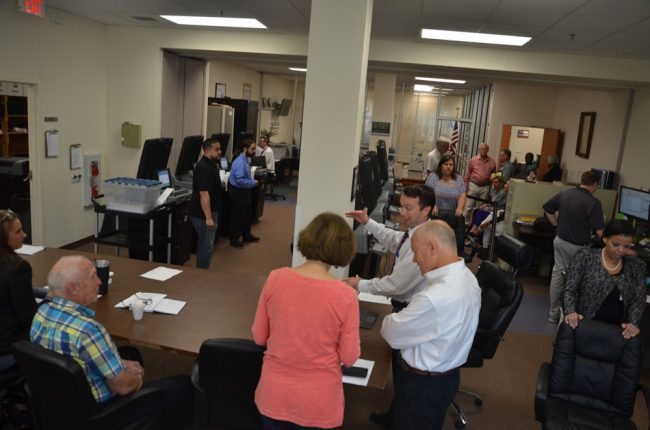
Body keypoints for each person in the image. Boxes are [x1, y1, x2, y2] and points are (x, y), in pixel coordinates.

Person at [30, 256, 194, 429]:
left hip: (60, 400)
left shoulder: (41, 313)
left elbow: (76, 355)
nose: (100, 281)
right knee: (183, 385)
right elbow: (123, 387)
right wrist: (136, 379)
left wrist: (121, 363)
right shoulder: (88, 330)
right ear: (74, 288)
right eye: (93, 276)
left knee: (131, 353)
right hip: (97, 413)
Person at [252, 213, 360, 429]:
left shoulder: (276, 278)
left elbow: (259, 336)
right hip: (318, 401)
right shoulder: (345, 296)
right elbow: (349, 358)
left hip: (274, 394)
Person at [344, 184, 434, 426]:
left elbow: (395, 285)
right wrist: (368, 222)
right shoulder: (414, 231)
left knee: (405, 374)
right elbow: (396, 240)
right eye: (401, 206)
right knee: (400, 369)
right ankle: (397, 411)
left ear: (426, 210)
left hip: (411, 311)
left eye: (408, 208)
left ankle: (400, 418)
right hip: (405, 307)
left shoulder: (424, 242)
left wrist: (359, 283)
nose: (401, 213)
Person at [381, 220, 480, 430]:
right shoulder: (469, 279)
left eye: (416, 252)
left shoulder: (434, 297)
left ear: (433, 247)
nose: (415, 259)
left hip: (421, 386)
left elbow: (390, 332)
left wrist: (402, 314)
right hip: (447, 377)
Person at [564, 219, 646, 339]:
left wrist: (633, 323)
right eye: (616, 244)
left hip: (617, 332)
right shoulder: (585, 256)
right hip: (583, 325)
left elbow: (638, 299)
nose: (621, 250)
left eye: (627, 246)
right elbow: (570, 289)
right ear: (605, 239)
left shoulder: (636, 266)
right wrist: (570, 311)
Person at [543, 171, 605, 323]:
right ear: (595, 184)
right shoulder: (593, 203)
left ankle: (553, 314)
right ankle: (573, 315)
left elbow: (547, 208)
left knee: (558, 275)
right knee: (576, 281)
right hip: (578, 247)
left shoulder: (565, 193)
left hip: (559, 240)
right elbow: (601, 232)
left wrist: (556, 225)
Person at [0, 209, 37, 372]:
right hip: (8, 347)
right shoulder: (17, 268)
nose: (25, 235)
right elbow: (30, 318)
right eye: (18, 231)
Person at [189, 137, 223, 269]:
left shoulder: (210, 164)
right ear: (207, 151)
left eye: (220, 149)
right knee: (206, 246)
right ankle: (201, 275)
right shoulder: (205, 168)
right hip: (203, 215)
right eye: (217, 149)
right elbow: (204, 194)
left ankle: (202, 271)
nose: (220, 151)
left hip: (207, 212)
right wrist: (208, 218)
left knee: (207, 245)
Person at [426, 153, 467, 256]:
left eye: (451, 164)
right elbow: (428, 193)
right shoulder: (433, 177)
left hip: (453, 213)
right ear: (440, 165)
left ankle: (458, 253)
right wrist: (433, 205)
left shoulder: (458, 179)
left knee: (460, 218)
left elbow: (462, 194)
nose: (448, 167)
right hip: (436, 212)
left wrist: (460, 208)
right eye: (446, 164)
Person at [228, 139, 260, 248]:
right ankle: (234, 239)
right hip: (238, 191)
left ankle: (246, 235)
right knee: (238, 216)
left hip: (244, 190)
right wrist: (253, 183)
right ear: (245, 149)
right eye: (252, 149)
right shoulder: (240, 162)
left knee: (246, 214)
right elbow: (240, 180)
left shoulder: (246, 159)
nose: (254, 151)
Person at [463, 142, 496, 225]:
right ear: (479, 150)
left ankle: (476, 225)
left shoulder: (492, 162)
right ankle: (466, 224)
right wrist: (465, 187)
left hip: (485, 187)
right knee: (469, 206)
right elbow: (468, 174)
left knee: (481, 208)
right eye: (482, 149)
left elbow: (494, 176)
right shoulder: (473, 160)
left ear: (488, 150)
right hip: (473, 185)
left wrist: (492, 188)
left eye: (485, 149)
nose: (483, 151)